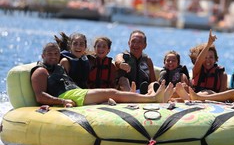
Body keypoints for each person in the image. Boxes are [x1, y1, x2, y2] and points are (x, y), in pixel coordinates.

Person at [31, 42, 173, 108]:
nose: (53, 57)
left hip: (77, 93)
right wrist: (63, 102)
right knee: (111, 92)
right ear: (43, 55)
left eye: (56, 54)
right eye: (49, 54)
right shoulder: (41, 71)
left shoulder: (58, 68)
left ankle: (150, 98)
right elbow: (40, 96)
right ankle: (153, 98)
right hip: (67, 96)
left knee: (111, 96)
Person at [190, 29, 228, 94]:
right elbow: (199, 61)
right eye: (205, 57)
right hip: (197, 97)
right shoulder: (197, 70)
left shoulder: (222, 74)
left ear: (215, 59)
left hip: (213, 99)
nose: (208, 60)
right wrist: (209, 44)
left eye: (211, 57)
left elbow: (222, 93)